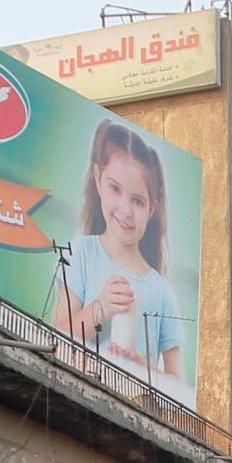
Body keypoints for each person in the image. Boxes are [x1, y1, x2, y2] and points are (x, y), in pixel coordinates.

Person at [51, 123, 185, 383]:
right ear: (98, 179)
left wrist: (142, 369)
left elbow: (177, 381)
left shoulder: (160, 290)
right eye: (115, 189)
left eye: (137, 201)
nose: (125, 209)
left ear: (152, 208)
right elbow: (58, 335)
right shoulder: (82, 251)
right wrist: (100, 307)